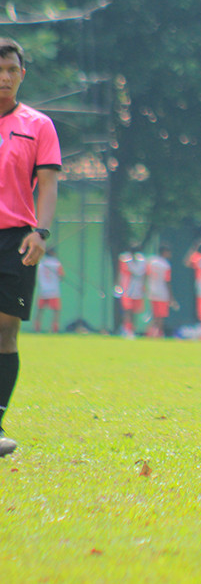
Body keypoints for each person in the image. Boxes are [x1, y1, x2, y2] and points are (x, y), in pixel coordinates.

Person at [0, 38, 62, 457]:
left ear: (22, 74)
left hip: (16, 238)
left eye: (11, 70)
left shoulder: (38, 125)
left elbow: (49, 185)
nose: (4, 78)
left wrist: (41, 232)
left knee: (6, 330)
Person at [146, 244, 176, 338]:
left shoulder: (151, 261)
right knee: (161, 315)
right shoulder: (165, 265)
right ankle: (158, 333)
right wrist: (171, 297)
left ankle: (150, 333)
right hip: (162, 293)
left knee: (154, 315)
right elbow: (167, 281)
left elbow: (146, 274)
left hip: (152, 291)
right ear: (164, 252)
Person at [117, 245, 147, 338]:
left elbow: (142, 274)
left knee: (134, 311)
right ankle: (126, 329)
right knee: (127, 311)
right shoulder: (125, 260)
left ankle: (132, 329)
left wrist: (143, 287)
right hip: (127, 289)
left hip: (137, 290)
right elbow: (123, 273)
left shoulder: (141, 261)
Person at [35, 247, 64, 333]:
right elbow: (61, 276)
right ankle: (54, 328)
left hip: (43, 290)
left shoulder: (41, 263)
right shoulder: (57, 263)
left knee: (40, 311)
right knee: (56, 311)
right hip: (54, 291)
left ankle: (37, 328)